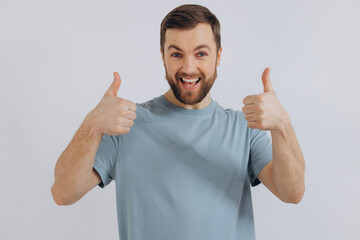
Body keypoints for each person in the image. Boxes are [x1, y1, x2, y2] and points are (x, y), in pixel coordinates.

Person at [51, 4, 305, 240]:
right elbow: (63, 193)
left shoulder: (244, 128)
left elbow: (292, 193)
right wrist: (92, 125)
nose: (189, 67)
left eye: (201, 53)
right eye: (177, 54)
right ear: (163, 57)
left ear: (218, 57)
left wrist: (281, 125)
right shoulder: (126, 123)